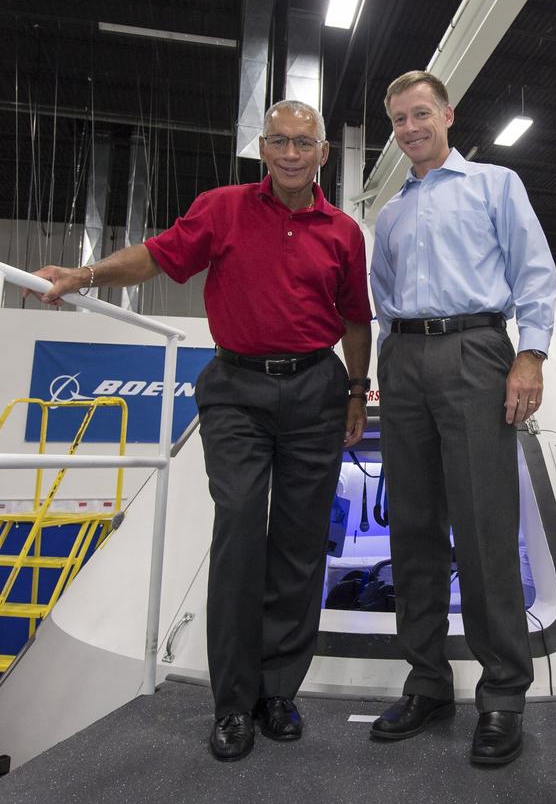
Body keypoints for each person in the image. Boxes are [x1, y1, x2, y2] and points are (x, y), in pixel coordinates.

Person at [30, 100, 372, 763]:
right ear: (263, 149)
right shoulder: (223, 207)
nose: (293, 153)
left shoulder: (343, 232)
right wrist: (83, 274)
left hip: (314, 388)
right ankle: (234, 703)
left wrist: (356, 391)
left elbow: (356, 320)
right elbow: (156, 258)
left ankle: (278, 693)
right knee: (241, 527)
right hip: (237, 389)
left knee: (301, 545)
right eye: (280, 141)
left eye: (305, 142)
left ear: (323, 153)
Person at [369, 71, 556, 766]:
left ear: (448, 115)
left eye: (421, 113)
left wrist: (529, 354)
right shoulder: (389, 215)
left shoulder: (494, 186)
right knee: (414, 529)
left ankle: (503, 694)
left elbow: (533, 269)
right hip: (405, 360)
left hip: (478, 349)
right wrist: (387, 369)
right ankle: (427, 684)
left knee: (483, 526)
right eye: (399, 120)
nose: (411, 127)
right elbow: (383, 296)